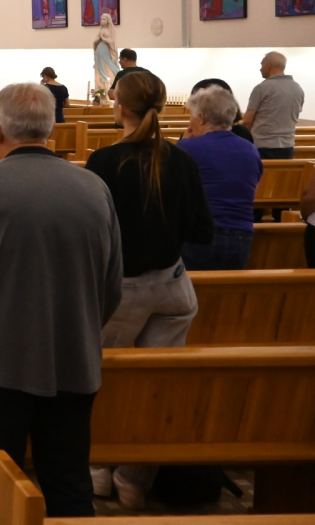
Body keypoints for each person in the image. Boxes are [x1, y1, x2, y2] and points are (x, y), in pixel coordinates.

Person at [0, 82, 123, 525]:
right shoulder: (93, 186)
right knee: (68, 482)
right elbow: (112, 284)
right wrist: (79, 330)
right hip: (74, 360)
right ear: (50, 129)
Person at [85, 71, 213, 509]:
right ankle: (135, 479)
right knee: (158, 386)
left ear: (120, 106)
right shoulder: (182, 160)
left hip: (121, 290)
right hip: (174, 290)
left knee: (103, 381)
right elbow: (202, 230)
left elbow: (94, 234)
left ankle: (100, 472)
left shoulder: (105, 162)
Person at [177, 85, 262, 270]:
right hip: (242, 236)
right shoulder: (250, 150)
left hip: (201, 236)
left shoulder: (188, 149)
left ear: (201, 118)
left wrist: (182, 143)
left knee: (197, 295)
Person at [243, 51, 304, 172]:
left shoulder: (262, 88)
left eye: (261, 65)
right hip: (287, 146)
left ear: (268, 65)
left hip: (262, 146)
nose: (260, 69)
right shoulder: (298, 88)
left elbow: (247, 120)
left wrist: (244, 142)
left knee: (261, 184)